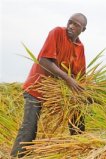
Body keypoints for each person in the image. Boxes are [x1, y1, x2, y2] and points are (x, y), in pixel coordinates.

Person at [11, 13, 87, 157]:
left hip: (57, 92)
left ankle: (81, 152)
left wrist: (85, 93)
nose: (71, 26)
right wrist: (68, 79)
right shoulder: (57, 32)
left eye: (76, 25)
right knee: (29, 128)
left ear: (83, 30)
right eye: (70, 22)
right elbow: (44, 61)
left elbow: (80, 75)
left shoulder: (80, 48)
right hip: (37, 87)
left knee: (78, 119)